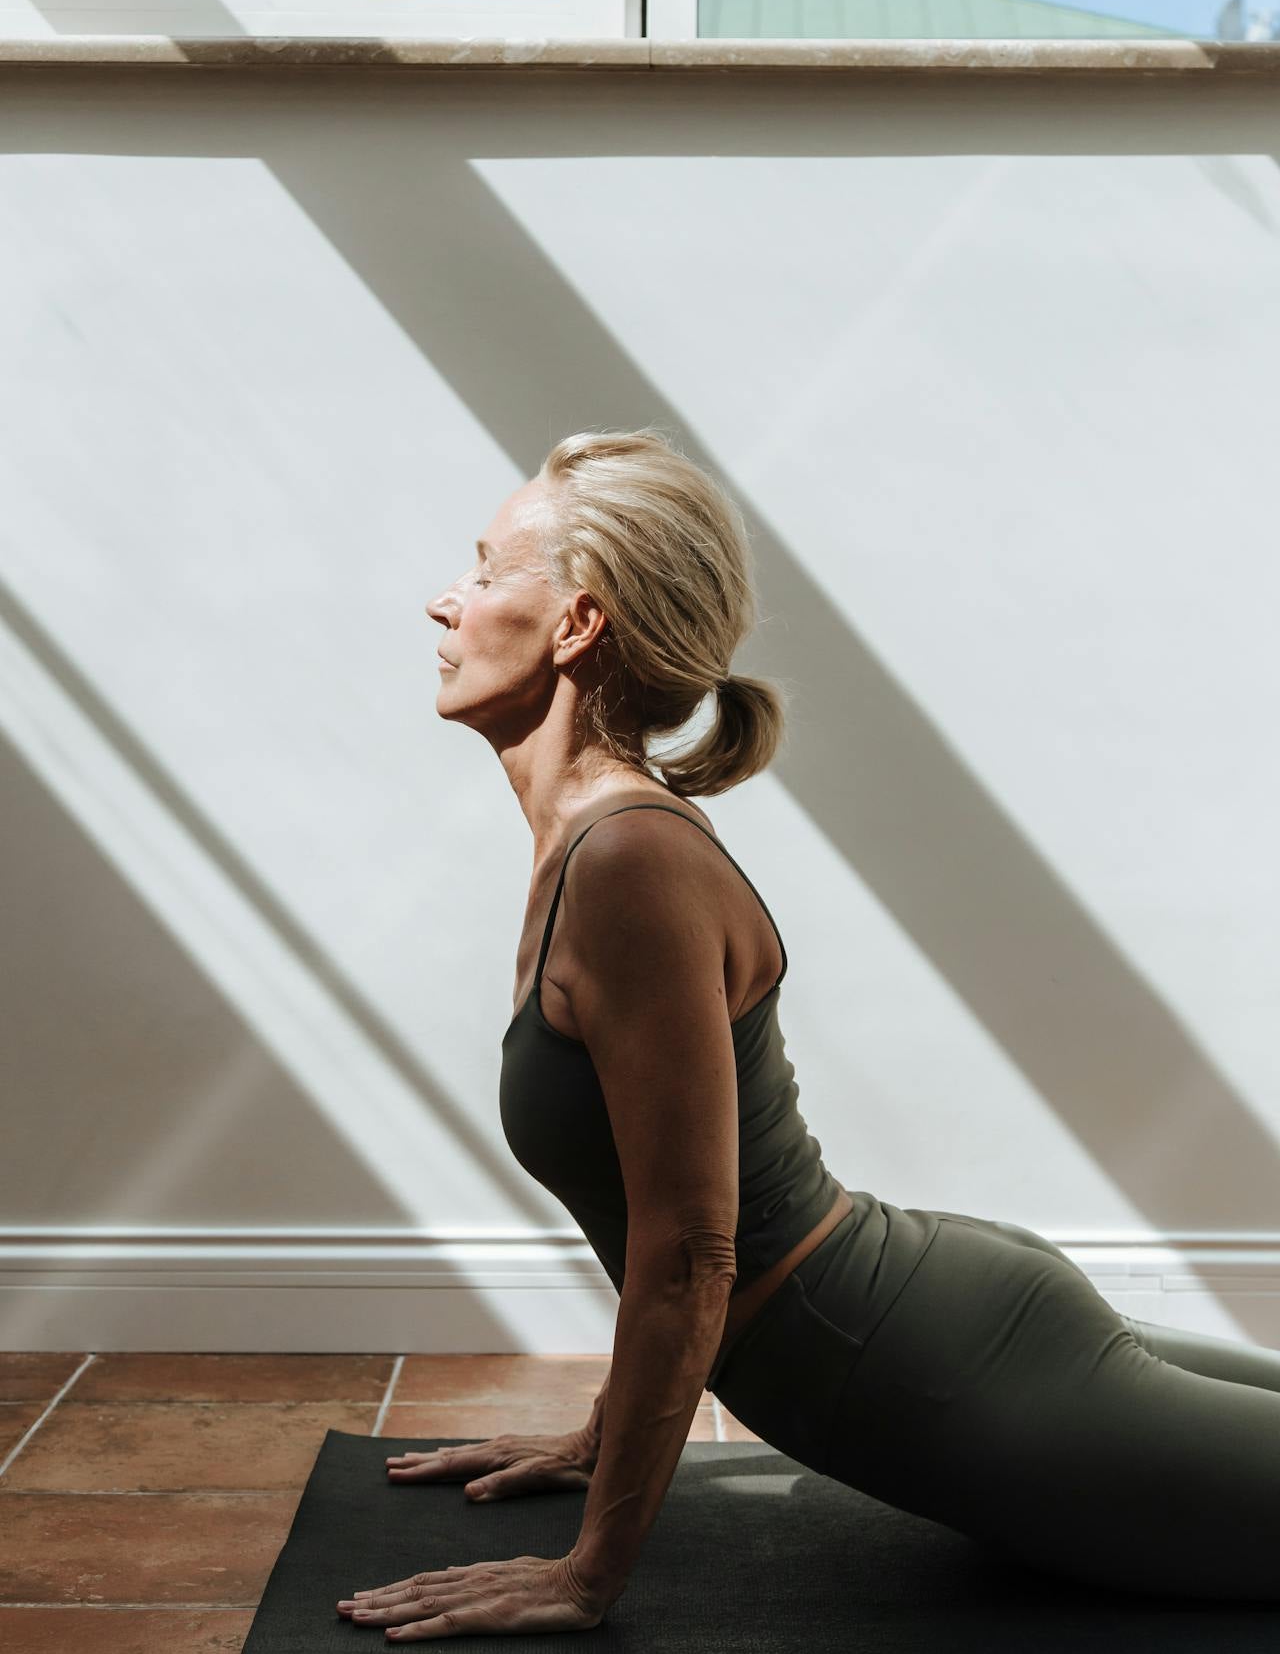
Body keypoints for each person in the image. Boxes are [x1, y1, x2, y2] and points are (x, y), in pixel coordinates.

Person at [337, 428, 1280, 1643]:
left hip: (947, 1378)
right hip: (931, 1319)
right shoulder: (593, 840)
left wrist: (587, 1575)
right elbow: (659, 1213)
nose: (444, 598)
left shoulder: (625, 858)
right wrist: (597, 1439)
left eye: (481, 568)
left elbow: (688, 1251)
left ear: (574, 625)